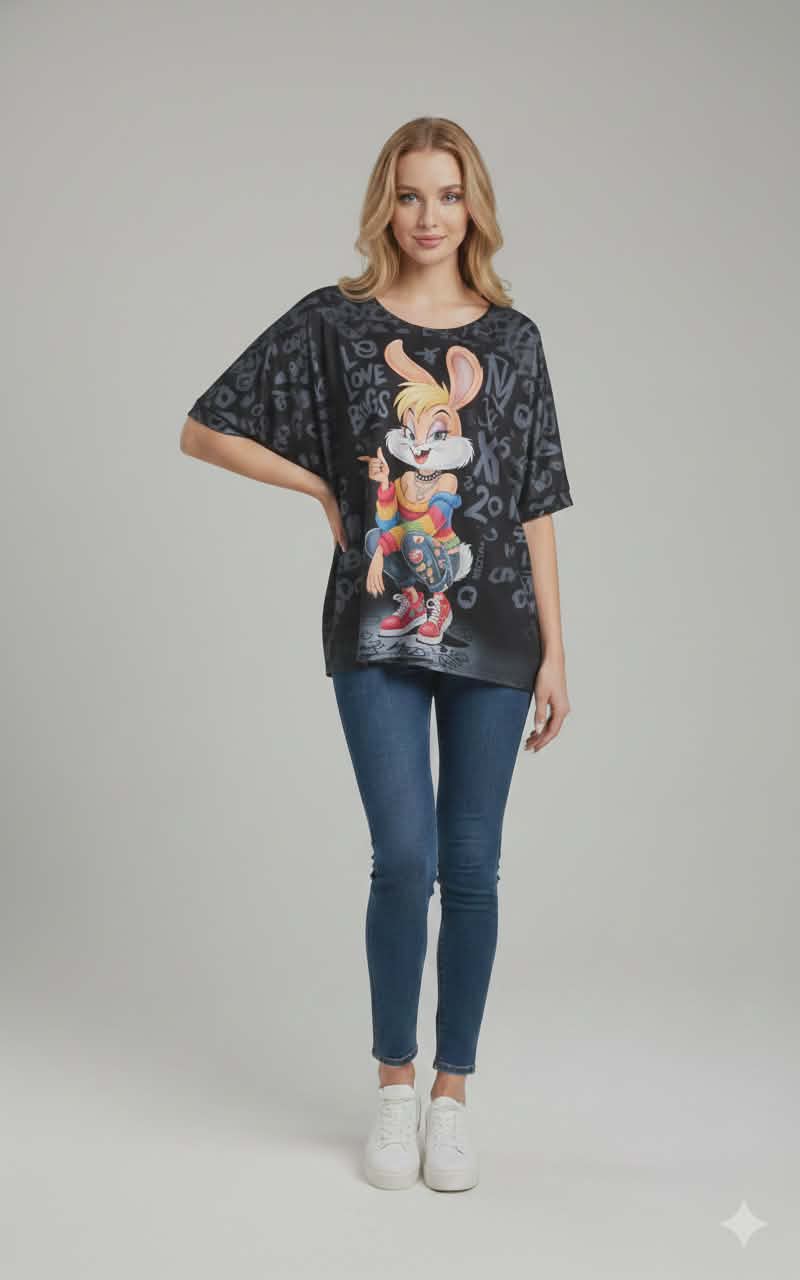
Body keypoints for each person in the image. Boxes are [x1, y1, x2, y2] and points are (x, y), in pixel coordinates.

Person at [180, 116, 574, 1193]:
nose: (428, 216)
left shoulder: (514, 340)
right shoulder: (338, 324)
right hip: (375, 624)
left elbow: (535, 501)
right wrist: (322, 485)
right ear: (384, 206)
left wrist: (556, 650)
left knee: (473, 867)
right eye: (409, 195)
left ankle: (452, 1096)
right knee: (403, 858)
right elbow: (204, 428)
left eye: (446, 194)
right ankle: (394, 1089)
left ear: (473, 205)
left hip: (498, 629)